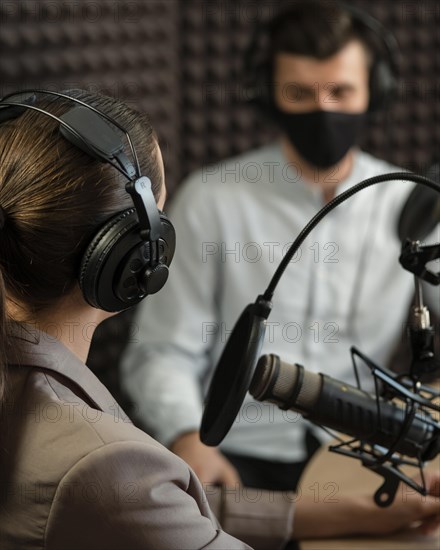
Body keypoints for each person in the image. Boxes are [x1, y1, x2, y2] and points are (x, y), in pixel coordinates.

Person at [120, 0, 440, 539]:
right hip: (238, 457)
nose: (322, 108)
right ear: (268, 95)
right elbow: (161, 351)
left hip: (370, 457)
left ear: (374, 91)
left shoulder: (413, 202)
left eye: (340, 93)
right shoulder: (211, 199)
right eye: (300, 93)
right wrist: (184, 435)